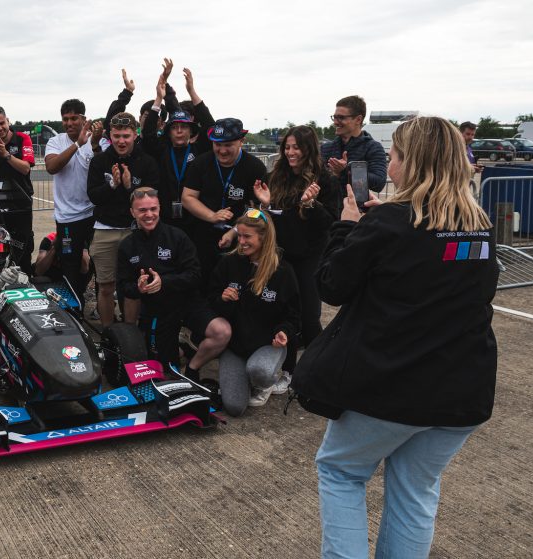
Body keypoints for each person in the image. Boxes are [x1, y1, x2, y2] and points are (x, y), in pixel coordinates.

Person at [292, 116, 498, 559]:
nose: (391, 164)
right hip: (461, 388)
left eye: (396, 155)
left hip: (390, 384)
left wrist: (348, 225)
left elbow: (331, 285)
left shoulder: (387, 223)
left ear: (413, 161)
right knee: (415, 492)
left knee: (341, 472)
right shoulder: (478, 224)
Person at [253, 125, 340, 382]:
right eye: (287, 147)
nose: (291, 153)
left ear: (309, 149)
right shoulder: (276, 176)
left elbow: (332, 223)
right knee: (284, 314)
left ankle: (321, 371)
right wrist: (264, 205)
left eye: (296, 148)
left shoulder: (325, 180)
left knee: (309, 316)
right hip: (280, 254)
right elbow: (266, 220)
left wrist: (310, 204)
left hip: (310, 256)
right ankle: (289, 371)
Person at [116, 188, 229, 375]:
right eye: (142, 210)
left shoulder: (178, 236)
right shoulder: (127, 246)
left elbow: (195, 275)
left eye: (153, 208)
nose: (149, 214)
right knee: (161, 370)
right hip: (157, 310)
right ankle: (181, 349)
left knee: (221, 332)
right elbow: (124, 287)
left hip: (187, 302)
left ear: (160, 208)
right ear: (132, 212)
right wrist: (139, 288)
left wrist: (165, 282)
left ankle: (193, 368)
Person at [209, 209, 299, 416]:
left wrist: (284, 331)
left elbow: (294, 315)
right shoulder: (228, 263)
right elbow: (210, 301)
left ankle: (266, 380)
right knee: (234, 407)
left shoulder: (284, 272)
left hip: (267, 344)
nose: (241, 241)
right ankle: (246, 376)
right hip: (236, 346)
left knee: (260, 372)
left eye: (247, 236)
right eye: (239, 235)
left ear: (264, 238)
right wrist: (222, 299)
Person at [86, 112, 160, 327]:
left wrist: (130, 187)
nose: (121, 141)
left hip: (134, 231)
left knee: (133, 287)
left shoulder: (146, 162)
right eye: (116, 135)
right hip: (104, 230)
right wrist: (112, 185)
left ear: (135, 135)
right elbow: (93, 195)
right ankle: (109, 334)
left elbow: (153, 198)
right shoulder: (100, 161)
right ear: (109, 135)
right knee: (106, 286)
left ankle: (130, 333)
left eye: (126, 136)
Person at [181, 117, 267, 277]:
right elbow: (187, 197)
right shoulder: (201, 163)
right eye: (217, 145)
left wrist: (235, 231)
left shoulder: (255, 168)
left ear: (241, 141)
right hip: (202, 235)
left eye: (228, 145)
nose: (222, 150)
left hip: (240, 239)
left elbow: (257, 210)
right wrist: (212, 216)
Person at [142, 68, 215, 239]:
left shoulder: (200, 149)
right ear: (169, 132)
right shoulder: (162, 150)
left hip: (196, 218)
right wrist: (158, 100)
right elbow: (148, 136)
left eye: (184, 127)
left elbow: (211, 127)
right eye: (175, 127)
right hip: (166, 218)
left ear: (191, 131)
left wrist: (192, 92)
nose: (180, 131)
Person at [44, 99, 104, 304]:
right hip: (67, 217)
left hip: (93, 213)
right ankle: (73, 307)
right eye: (65, 119)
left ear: (84, 119)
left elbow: (103, 168)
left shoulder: (97, 139)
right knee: (70, 264)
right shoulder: (56, 141)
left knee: (99, 263)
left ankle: (95, 304)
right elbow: (52, 167)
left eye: (74, 118)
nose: (69, 123)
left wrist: (93, 143)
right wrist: (77, 144)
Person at [0, 105, 35, 274]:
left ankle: (25, 277)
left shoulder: (22, 139)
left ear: (8, 120)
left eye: (1, 123)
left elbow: (26, 168)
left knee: (24, 244)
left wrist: (6, 155)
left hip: (21, 200)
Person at [321, 95, 388, 196]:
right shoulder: (326, 148)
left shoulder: (373, 148)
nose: (335, 122)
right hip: (328, 210)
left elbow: (379, 183)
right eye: (334, 117)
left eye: (341, 118)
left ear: (358, 119)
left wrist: (347, 170)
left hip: (356, 210)